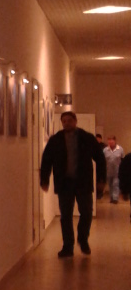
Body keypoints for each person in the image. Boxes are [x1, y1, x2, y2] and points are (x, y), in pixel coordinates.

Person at [40, 110, 106, 257]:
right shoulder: (55, 140)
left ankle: (83, 239)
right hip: (64, 184)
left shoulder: (86, 138)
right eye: (64, 121)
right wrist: (44, 180)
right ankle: (68, 246)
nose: (67, 123)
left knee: (87, 212)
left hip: (83, 183)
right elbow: (46, 160)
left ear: (75, 121)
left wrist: (101, 179)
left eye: (69, 120)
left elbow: (100, 158)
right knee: (65, 216)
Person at [102, 135, 124, 203]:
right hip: (108, 170)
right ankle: (111, 197)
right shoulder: (105, 150)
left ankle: (115, 198)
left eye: (112, 141)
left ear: (115, 141)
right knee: (110, 184)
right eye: (109, 141)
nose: (110, 142)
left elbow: (122, 159)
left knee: (116, 184)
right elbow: (103, 160)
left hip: (117, 170)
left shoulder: (120, 149)